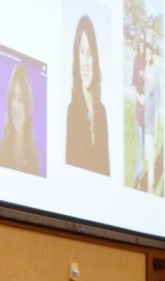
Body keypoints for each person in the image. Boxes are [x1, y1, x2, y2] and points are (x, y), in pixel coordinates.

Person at [65, 14, 109, 176]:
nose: (85, 61)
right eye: (81, 51)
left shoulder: (102, 113)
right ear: (76, 57)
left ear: (95, 58)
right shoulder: (72, 111)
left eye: (89, 53)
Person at [0, 62, 41, 176]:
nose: (15, 105)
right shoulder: (3, 146)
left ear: (27, 107)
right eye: (13, 97)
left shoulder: (34, 155)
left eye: (20, 99)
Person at [142, 38, 161, 193]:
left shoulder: (154, 75)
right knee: (147, 154)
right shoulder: (145, 71)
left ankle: (151, 184)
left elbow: (157, 104)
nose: (147, 54)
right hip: (142, 120)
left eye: (149, 51)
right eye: (145, 51)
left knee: (150, 153)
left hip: (150, 124)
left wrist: (156, 130)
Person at [131, 34, 146, 186]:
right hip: (139, 112)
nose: (142, 43)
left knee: (148, 149)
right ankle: (138, 178)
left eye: (144, 41)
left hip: (148, 113)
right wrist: (140, 98)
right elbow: (132, 86)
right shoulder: (137, 61)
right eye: (140, 41)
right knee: (140, 147)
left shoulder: (149, 63)